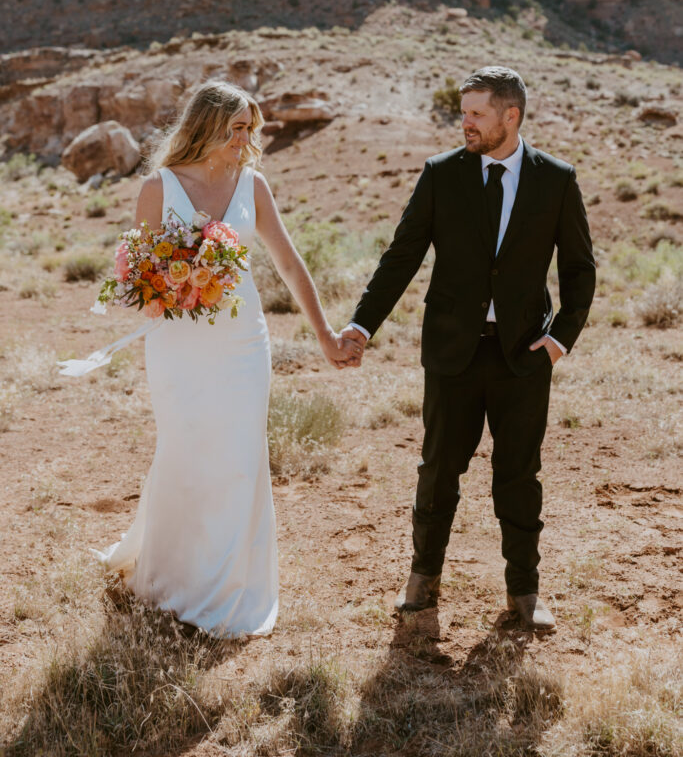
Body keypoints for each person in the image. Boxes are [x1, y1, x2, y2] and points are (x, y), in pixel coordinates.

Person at [95, 81, 359, 636]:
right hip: (177, 346)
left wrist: (327, 336)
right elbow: (136, 279)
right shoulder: (157, 187)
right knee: (186, 452)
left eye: (249, 129)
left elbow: (289, 264)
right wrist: (171, 283)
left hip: (243, 344)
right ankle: (170, 583)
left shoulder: (252, 186)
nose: (245, 139)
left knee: (239, 459)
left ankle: (233, 592)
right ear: (205, 126)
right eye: (235, 128)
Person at [341, 66, 595, 630]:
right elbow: (401, 256)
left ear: (512, 116)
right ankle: (422, 585)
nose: (466, 123)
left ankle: (524, 592)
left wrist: (558, 343)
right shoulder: (441, 175)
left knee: (519, 475)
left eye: (477, 113)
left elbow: (580, 269)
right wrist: (362, 325)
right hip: (452, 352)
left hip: (523, 356)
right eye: (464, 112)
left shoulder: (555, 179)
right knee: (438, 470)